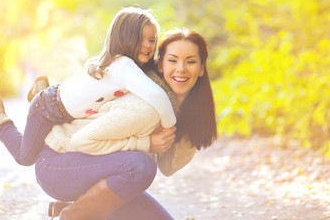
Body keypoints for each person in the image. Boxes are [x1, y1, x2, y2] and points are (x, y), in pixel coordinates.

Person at [36, 28, 217, 219]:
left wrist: (189, 121)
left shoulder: (173, 108)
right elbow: (82, 141)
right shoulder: (146, 106)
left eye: (191, 61)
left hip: (104, 173)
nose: (181, 68)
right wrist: (146, 143)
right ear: (161, 65)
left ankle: (84, 208)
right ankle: (74, 215)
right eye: (173, 60)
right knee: (142, 167)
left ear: (202, 68)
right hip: (57, 165)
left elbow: (168, 167)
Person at [0, 7, 177, 166]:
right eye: (141, 39)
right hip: (47, 110)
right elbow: (156, 95)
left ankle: (40, 91)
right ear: (124, 38)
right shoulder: (124, 66)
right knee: (25, 157)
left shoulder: (116, 62)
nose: (149, 45)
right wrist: (169, 125)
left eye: (152, 40)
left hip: (58, 100)